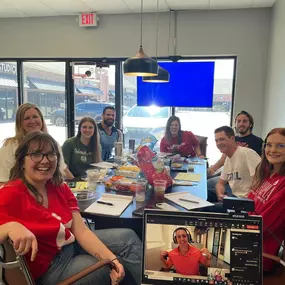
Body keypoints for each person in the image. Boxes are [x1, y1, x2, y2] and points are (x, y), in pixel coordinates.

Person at [0, 132, 142, 285]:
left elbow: (81, 231)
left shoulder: (59, 187)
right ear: (22, 161)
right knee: (108, 268)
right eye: (36, 154)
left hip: (69, 245)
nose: (45, 160)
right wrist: (10, 227)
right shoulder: (10, 193)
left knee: (127, 240)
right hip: (51, 268)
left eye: (50, 154)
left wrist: (111, 258)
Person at [0, 103, 74, 186]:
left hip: (51, 193)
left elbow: (62, 169)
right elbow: (2, 181)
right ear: (19, 123)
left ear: (42, 119)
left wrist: (78, 184)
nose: (32, 121)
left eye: (35, 117)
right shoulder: (10, 145)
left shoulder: (53, 143)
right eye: (26, 118)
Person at [248, 128, 285, 273]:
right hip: (244, 235)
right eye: (268, 145)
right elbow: (248, 205)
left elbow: (261, 226)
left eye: (280, 145)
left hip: (258, 255)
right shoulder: (266, 172)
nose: (272, 150)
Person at [209, 126, 261, 202]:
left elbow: (261, 181)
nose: (219, 143)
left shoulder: (247, 154)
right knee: (203, 194)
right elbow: (220, 184)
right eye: (216, 141)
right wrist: (220, 194)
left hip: (246, 202)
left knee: (205, 209)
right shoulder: (228, 159)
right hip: (234, 197)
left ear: (232, 139)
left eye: (222, 139)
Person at [208, 110, 263, 176]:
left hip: (241, 178)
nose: (241, 124)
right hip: (228, 173)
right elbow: (223, 158)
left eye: (244, 121)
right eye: (238, 121)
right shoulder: (232, 139)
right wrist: (212, 168)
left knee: (208, 184)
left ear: (250, 124)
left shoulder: (257, 141)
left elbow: (261, 165)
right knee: (204, 177)